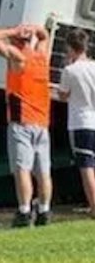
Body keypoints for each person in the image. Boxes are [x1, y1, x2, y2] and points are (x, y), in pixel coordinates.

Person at [0, 24, 53, 227]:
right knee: (43, 172)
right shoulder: (42, 58)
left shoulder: (18, 58)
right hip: (42, 122)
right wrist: (34, 29)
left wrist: (14, 31)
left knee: (22, 169)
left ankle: (24, 211)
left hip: (21, 120)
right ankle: (44, 210)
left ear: (15, 43)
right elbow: (44, 36)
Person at [57, 29, 95, 217]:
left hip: (81, 121)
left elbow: (63, 96)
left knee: (86, 165)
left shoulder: (70, 70)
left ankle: (94, 206)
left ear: (70, 48)